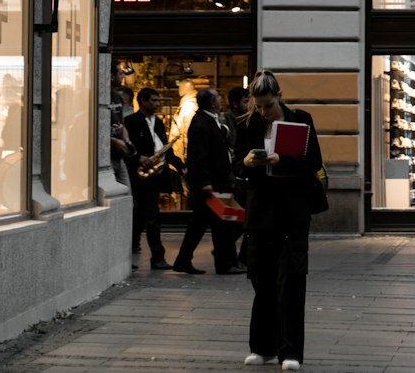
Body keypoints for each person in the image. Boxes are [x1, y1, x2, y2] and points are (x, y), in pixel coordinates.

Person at [236, 68, 323, 373]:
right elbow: (236, 167)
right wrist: (247, 163)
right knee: (261, 281)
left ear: (279, 97)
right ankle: (262, 347)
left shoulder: (301, 120)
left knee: (291, 281)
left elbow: (314, 161)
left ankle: (291, 352)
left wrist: (281, 160)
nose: (263, 112)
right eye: (257, 106)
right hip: (260, 213)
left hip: (293, 213)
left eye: (268, 105)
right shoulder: (247, 125)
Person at [172, 87, 246, 276]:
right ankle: (225, 263)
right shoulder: (201, 123)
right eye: (218, 97)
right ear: (212, 103)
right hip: (213, 183)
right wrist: (205, 182)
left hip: (218, 181)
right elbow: (198, 156)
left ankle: (183, 260)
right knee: (224, 223)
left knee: (203, 223)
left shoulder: (209, 120)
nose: (221, 99)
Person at [125, 87, 175, 270]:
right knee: (150, 215)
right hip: (140, 174)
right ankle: (156, 256)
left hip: (155, 173)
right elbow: (127, 147)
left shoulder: (159, 122)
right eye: (153, 100)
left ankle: (138, 248)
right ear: (143, 101)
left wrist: (178, 165)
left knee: (144, 214)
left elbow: (164, 146)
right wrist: (139, 158)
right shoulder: (131, 121)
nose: (156, 104)